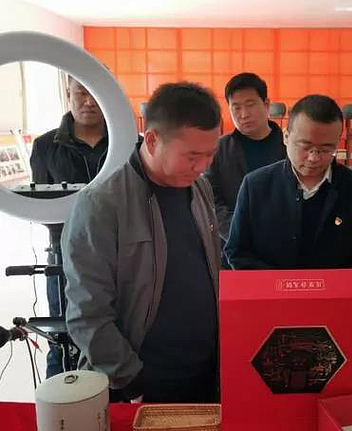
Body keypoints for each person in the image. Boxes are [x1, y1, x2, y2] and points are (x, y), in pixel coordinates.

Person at [62, 82, 222, 403]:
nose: (203, 166)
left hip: (204, 375)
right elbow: (88, 314)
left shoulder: (199, 189)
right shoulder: (101, 204)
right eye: (192, 156)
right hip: (139, 385)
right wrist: (133, 380)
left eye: (210, 154)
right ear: (152, 139)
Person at [224, 94, 352, 277]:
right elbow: (237, 251)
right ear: (286, 137)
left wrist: (327, 285)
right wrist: (284, 284)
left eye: (326, 149)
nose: (314, 158)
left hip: (337, 294)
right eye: (305, 147)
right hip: (271, 293)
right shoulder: (256, 186)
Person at [29, 75, 108, 378]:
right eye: (80, 93)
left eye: (95, 93)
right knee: (64, 332)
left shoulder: (129, 142)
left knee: (115, 327)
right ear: (68, 93)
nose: (88, 102)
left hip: (119, 250)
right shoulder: (45, 146)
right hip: (63, 253)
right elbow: (39, 205)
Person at [204, 73, 286, 265]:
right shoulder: (218, 149)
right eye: (236, 107)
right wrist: (238, 233)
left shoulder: (289, 146)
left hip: (282, 248)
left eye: (250, 105)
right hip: (232, 252)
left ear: (266, 104)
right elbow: (210, 199)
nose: (244, 114)